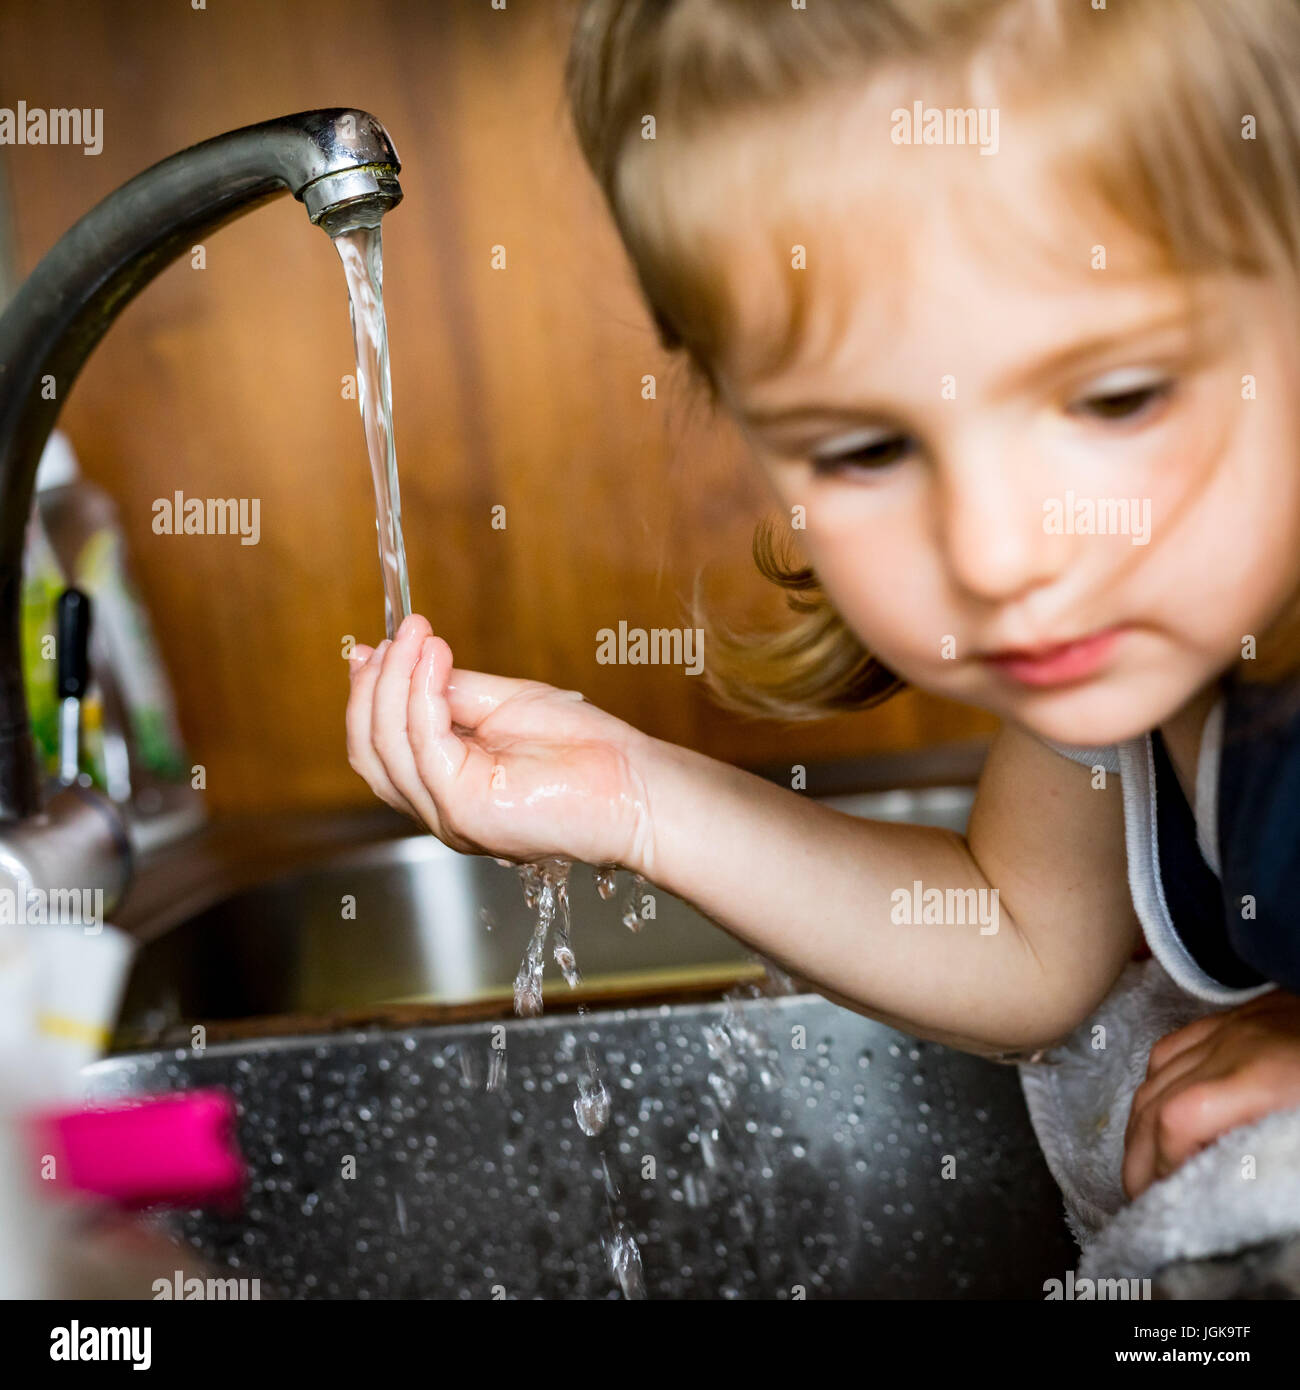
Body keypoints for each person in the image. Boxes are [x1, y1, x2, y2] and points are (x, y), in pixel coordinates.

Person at [346, 0, 1300, 1203]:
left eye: (1115, 401)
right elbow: (1023, 940)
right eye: (865, 450)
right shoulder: (1135, 631)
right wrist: (637, 801)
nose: (997, 552)